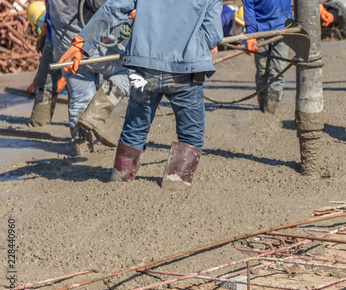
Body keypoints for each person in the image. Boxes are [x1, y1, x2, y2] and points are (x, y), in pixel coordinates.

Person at [58, 0, 223, 188]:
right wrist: (194, 46)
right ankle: (175, 185)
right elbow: (213, 34)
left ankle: (120, 180)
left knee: (135, 127)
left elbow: (113, 9)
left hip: (144, 67)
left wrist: (81, 44)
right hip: (186, 70)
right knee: (191, 133)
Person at [46, 0, 131, 155]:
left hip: (65, 50)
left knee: (80, 98)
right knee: (131, 72)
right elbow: (104, 6)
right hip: (89, 46)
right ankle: (96, 115)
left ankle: (81, 148)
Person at [243, 0, 333, 114]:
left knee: (278, 70)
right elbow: (248, 10)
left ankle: (271, 108)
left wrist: (319, 7)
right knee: (262, 70)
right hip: (259, 30)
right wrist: (251, 35)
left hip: (282, 26)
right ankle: (262, 106)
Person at [26, 0, 65, 127]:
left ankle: (39, 122)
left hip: (64, 36)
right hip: (59, 35)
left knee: (77, 83)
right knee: (80, 83)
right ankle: (40, 122)